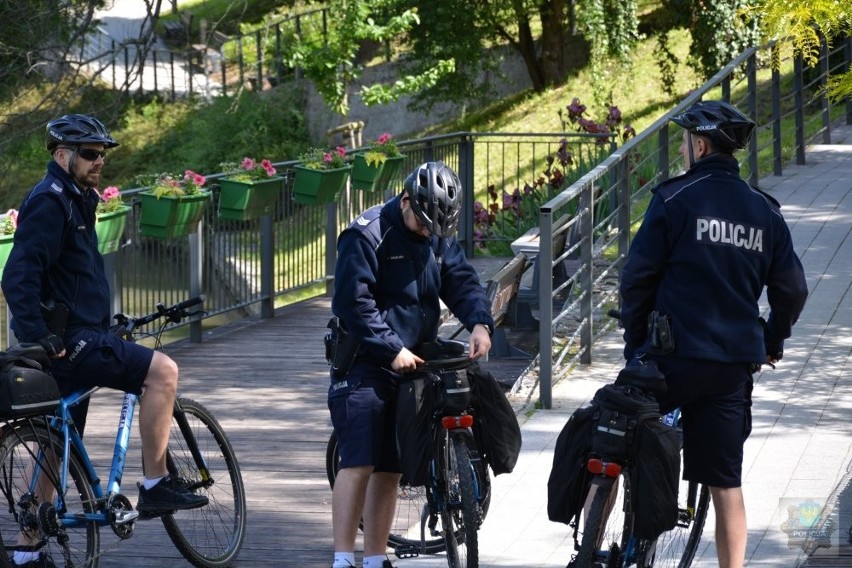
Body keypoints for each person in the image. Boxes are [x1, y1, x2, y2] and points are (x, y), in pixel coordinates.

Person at [1, 114, 208, 568]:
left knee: (58, 443)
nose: (99, 162)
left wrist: (101, 323)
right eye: (91, 154)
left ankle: (25, 549)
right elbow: (17, 274)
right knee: (162, 372)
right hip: (67, 343)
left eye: (102, 153)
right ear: (63, 156)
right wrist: (40, 337)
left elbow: (71, 276)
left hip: (80, 334)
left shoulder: (77, 198)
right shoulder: (50, 201)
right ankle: (155, 484)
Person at [619, 100, 808, 568]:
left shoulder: (674, 199)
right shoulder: (765, 213)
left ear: (699, 145)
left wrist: (634, 345)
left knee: (615, 435)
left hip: (669, 361)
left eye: (687, 140)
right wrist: (771, 339)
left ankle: (594, 547)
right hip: (730, 366)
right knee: (726, 482)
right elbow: (794, 289)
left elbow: (636, 280)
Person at [327, 161, 495, 568]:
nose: (428, 234)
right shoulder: (366, 235)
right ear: (406, 200)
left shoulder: (436, 235)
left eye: (436, 229)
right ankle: (343, 559)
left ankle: (374, 559)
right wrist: (390, 348)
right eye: (422, 224)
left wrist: (479, 323)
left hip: (414, 361)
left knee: (391, 467)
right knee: (360, 461)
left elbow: (460, 280)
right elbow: (353, 303)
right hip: (365, 362)